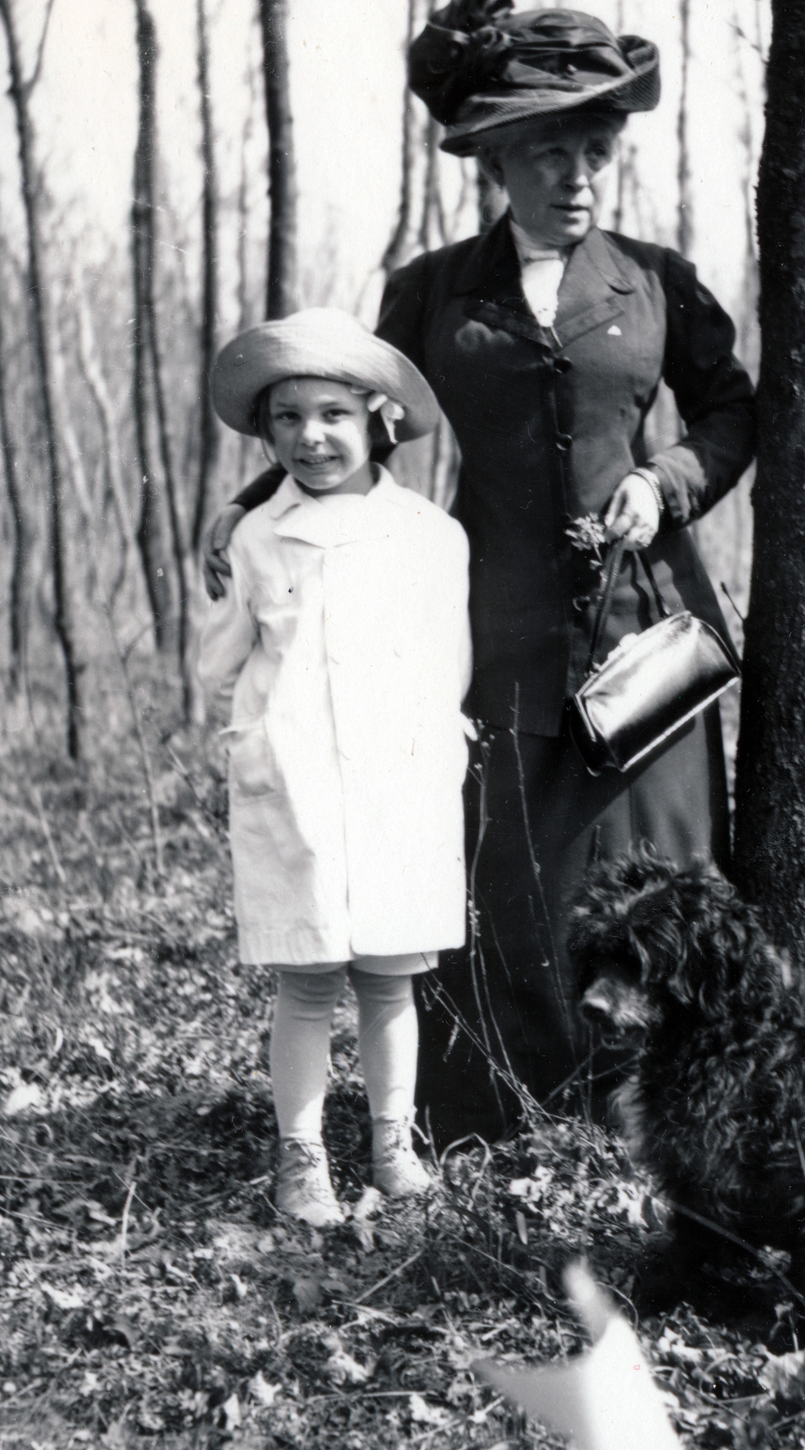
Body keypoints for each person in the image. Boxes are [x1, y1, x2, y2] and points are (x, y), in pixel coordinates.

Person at [206, 0, 756, 1148]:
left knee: (666, 872)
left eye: (594, 152)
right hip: (486, 625)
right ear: (497, 161)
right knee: (509, 870)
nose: (577, 176)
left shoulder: (654, 280)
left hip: (648, 631)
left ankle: (661, 1115)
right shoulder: (434, 290)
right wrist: (252, 497)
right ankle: (504, 1112)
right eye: (549, 153)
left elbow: (730, 410)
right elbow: (341, 414)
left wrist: (666, 484)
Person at [198, 307, 471, 1225]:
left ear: (378, 418)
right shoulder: (256, 537)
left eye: (332, 415)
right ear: (267, 433)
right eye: (286, 419)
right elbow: (218, 661)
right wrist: (259, 736)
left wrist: (430, 744)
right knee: (309, 978)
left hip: (397, 778)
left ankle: (393, 1142)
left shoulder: (430, 534)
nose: (310, 437)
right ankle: (301, 1155)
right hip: (298, 778)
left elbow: (448, 661)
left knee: (391, 975)